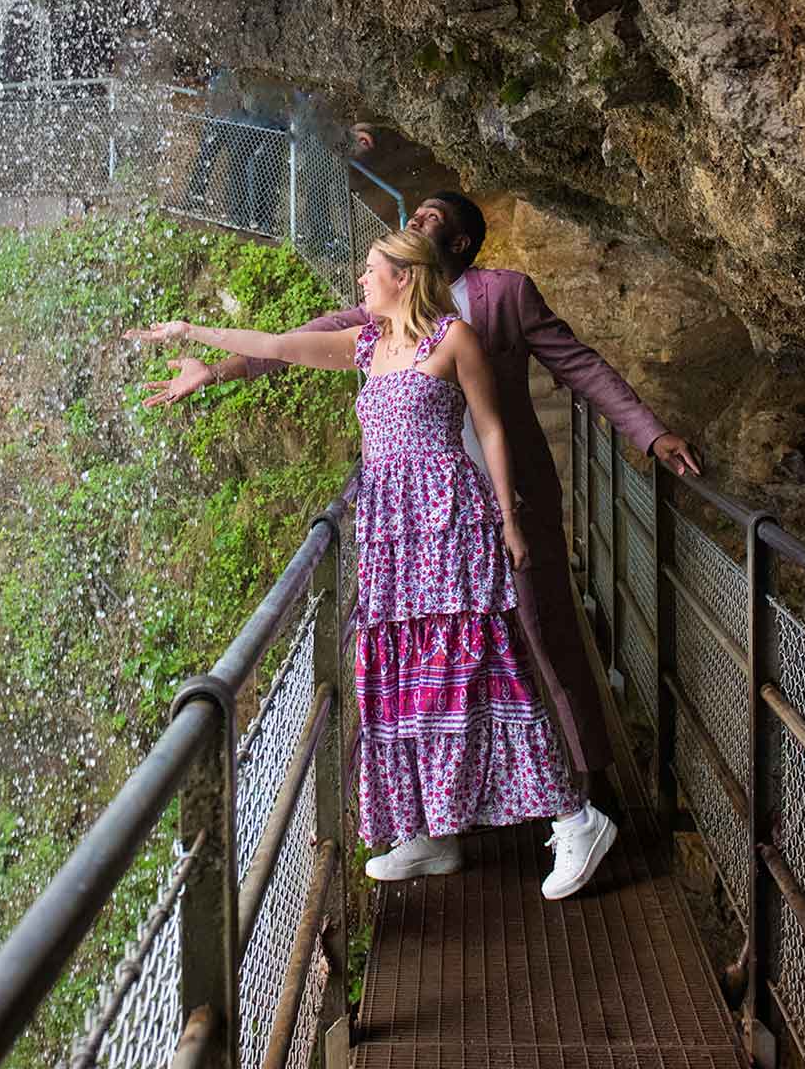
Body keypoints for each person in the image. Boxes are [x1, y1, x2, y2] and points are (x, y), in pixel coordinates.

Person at [141, 191, 701, 820]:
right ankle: (461, 807)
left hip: (500, 496)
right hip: (414, 522)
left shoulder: (502, 297)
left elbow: (578, 367)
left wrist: (648, 431)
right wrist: (212, 371)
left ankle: (588, 791)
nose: (415, 222)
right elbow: (293, 342)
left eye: (431, 220)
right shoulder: (382, 320)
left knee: (545, 638)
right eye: (415, 217)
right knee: (439, 653)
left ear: (458, 245)